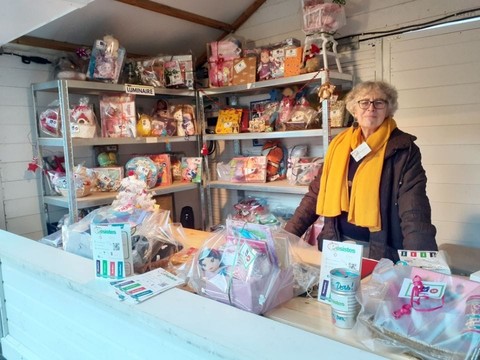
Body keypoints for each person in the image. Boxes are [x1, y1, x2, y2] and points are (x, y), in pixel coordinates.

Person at [285, 81, 438, 262]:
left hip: (379, 251)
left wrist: (423, 262)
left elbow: (414, 207)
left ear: (389, 109)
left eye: (379, 102)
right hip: (336, 244)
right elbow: (316, 195)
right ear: (353, 110)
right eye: (364, 102)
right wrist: (288, 235)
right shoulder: (339, 146)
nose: (371, 108)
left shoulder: (404, 149)